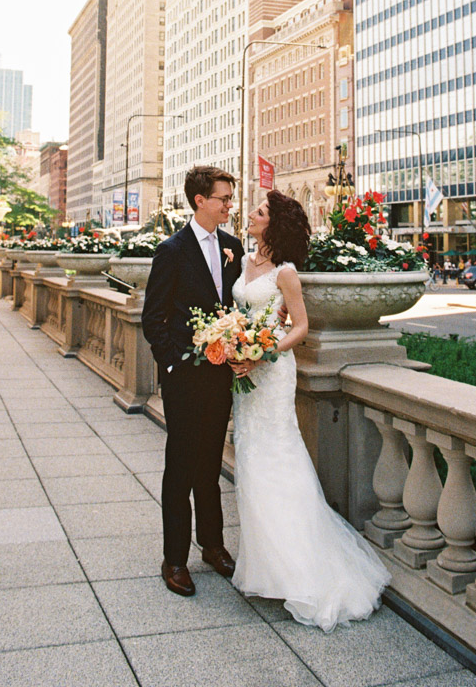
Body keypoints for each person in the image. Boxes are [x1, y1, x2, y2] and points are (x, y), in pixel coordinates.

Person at [230, 190, 391, 631]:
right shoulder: (243, 261)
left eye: (259, 212)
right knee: (250, 461)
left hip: (272, 372)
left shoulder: (286, 273)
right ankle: (266, 567)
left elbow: (298, 327)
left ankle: (303, 572)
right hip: (244, 374)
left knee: (277, 460)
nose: (251, 214)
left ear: (273, 225)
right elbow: (237, 310)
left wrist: (263, 352)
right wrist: (230, 343)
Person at [142, 166, 244, 597]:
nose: (229, 205)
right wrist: (173, 365)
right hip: (185, 378)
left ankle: (214, 546)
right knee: (180, 468)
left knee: (210, 465)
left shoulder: (233, 247)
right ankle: (175, 559)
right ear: (200, 200)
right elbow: (154, 318)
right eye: (223, 198)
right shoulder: (172, 250)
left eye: (230, 198)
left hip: (223, 377)